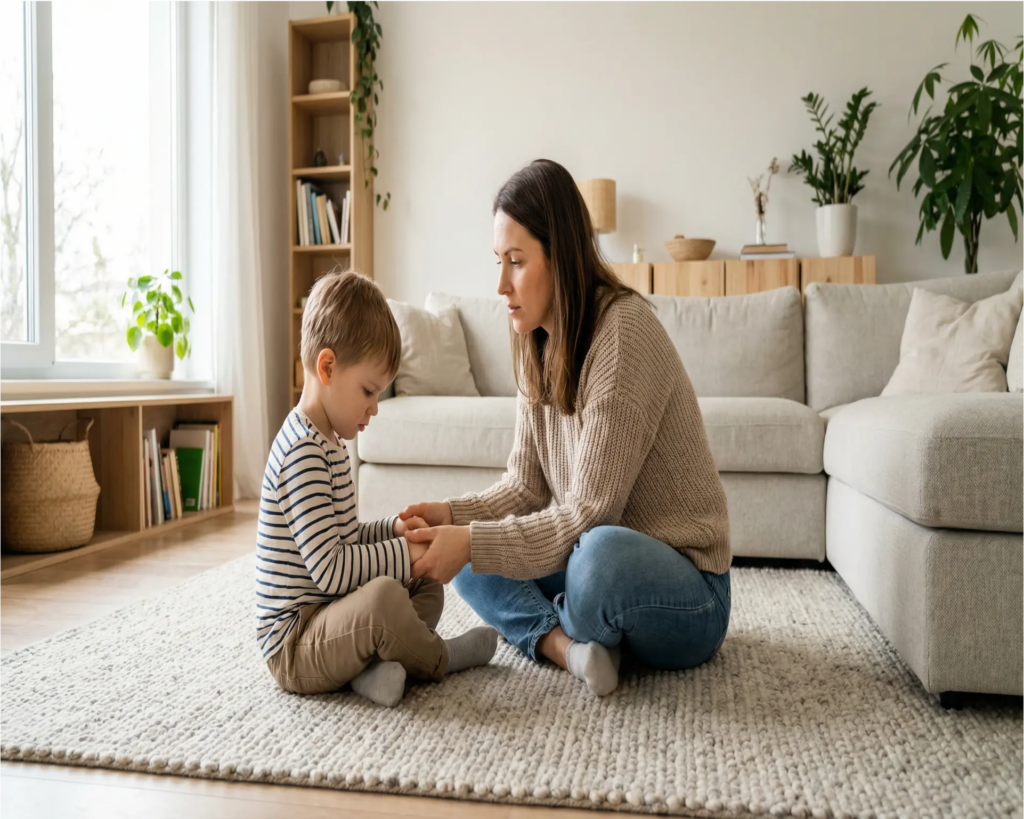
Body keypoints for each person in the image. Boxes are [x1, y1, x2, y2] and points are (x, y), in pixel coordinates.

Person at [400, 159, 732, 697]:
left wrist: (480, 541)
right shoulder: (534, 340)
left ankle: (563, 619)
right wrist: (454, 518)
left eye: (516, 261)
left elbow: (588, 515)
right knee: (462, 556)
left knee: (594, 562)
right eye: (498, 261)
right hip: (585, 554)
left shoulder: (622, 333)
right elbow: (524, 487)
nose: (500, 283)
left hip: (687, 590)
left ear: (561, 258)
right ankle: (570, 648)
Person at [257, 269, 498, 707]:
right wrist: (403, 555)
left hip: (331, 616)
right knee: (388, 593)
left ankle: (371, 670)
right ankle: (440, 657)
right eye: (368, 392)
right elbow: (331, 569)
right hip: (297, 643)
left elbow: (344, 538)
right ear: (327, 367)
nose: (374, 410)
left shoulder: (329, 440)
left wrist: (393, 531)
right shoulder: (302, 452)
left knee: (425, 583)